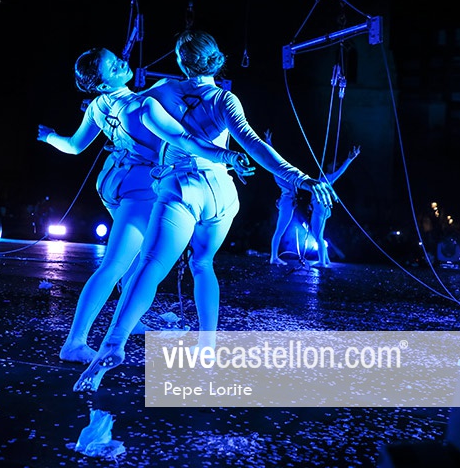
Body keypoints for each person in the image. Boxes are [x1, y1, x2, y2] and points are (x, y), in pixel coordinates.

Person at [74, 29, 337, 392]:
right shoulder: (225, 100)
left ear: (181, 62)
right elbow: (255, 145)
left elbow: (128, 109)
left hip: (181, 187)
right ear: (216, 59)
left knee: (151, 266)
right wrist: (302, 178)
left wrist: (99, 107)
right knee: (203, 264)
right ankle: (207, 347)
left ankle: (113, 343)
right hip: (221, 192)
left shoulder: (162, 91)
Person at [37, 47, 253, 364]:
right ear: (102, 83)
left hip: (113, 180)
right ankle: (75, 342)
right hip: (138, 190)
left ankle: (132, 320)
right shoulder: (143, 104)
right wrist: (225, 155)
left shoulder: (98, 106)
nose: (123, 63)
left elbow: (73, 146)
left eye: (116, 59)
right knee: (116, 263)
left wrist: (48, 136)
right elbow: (184, 138)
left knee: (138, 258)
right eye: (114, 66)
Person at [308, 145, 360, 267]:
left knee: (318, 236)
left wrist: (349, 159)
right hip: (318, 207)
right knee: (317, 234)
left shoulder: (328, 178)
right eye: (333, 164)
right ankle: (326, 260)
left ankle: (322, 262)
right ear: (328, 165)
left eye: (335, 165)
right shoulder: (322, 177)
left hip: (321, 208)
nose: (335, 166)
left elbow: (340, 171)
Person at [265, 129, 298, 266]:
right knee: (279, 231)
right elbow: (273, 160)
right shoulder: (279, 173)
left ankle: (274, 256)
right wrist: (268, 142)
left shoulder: (285, 175)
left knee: (280, 231)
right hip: (286, 203)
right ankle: (274, 257)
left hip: (287, 202)